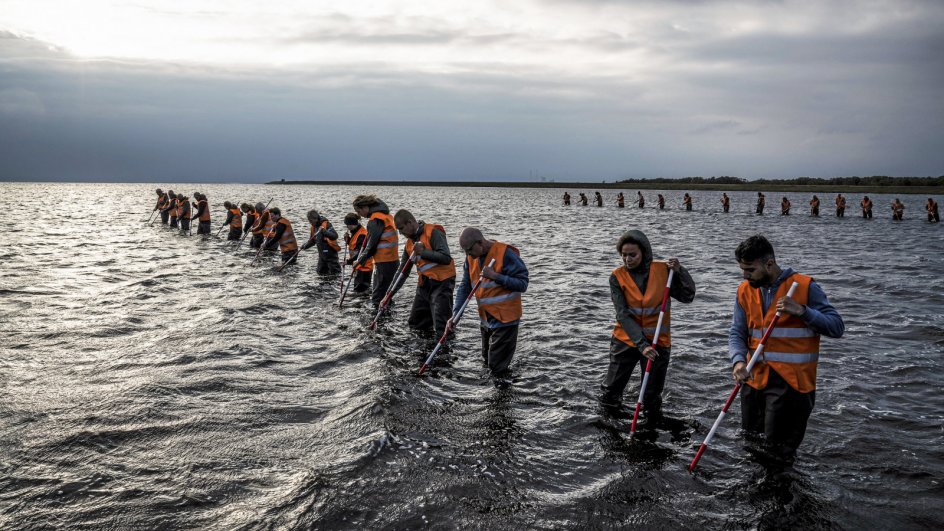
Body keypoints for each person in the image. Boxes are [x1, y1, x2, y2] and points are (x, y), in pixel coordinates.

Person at [729, 235, 843, 467]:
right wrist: (738, 361)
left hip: (792, 385)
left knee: (778, 454)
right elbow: (737, 332)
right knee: (751, 445)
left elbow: (836, 327)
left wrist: (802, 311)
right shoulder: (744, 289)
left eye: (750, 270)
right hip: (753, 379)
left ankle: (780, 496)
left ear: (769, 264)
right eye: (742, 269)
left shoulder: (804, 287)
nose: (744, 276)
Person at [599, 230, 696, 425]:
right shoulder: (617, 277)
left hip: (658, 341)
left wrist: (680, 271)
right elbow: (622, 314)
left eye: (632, 254)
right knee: (611, 390)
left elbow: (687, 296)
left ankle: (650, 426)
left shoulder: (663, 271)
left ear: (644, 252)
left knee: (652, 394)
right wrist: (641, 344)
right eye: (624, 255)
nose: (627, 259)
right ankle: (610, 424)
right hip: (626, 340)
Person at [448, 227, 529, 382]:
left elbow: (523, 284)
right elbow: (465, 286)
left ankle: (502, 400)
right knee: (487, 361)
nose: (467, 254)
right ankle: (496, 395)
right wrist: (455, 315)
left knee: (496, 368)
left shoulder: (506, 254)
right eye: (464, 251)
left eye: (469, 250)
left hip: (506, 320)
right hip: (486, 320)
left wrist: (495, 276)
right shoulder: (471, 257)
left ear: (480, 243)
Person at [388, 210, 456, 341]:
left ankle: (443, 356)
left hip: (442, 284)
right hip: (424, 285)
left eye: (401, 229)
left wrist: (423, 253)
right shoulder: (409, 244)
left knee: (442, 328)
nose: (401, 233)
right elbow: (402, 271)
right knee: (415, 323)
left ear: (410, 222)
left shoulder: (433, 232)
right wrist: (389, 294)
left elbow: (446, 257)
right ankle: (422, 352)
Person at [352, 195, 399, 306]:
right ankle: (388, 319)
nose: (359, 215)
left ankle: (377, 320)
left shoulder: (375, 220)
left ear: (365, 207)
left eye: (359, 211)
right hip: (392, 260)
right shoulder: (385, 215)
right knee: (386, 294)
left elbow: (371, 247)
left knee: (378, 297)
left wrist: (359, 261)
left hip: (384, 261)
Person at [301, 209, 342, 274]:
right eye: (309, 221)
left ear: (316, 219)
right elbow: (312, 240)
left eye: (311, 221)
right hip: (322, 256)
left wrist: (324, 232)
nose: (310, 223)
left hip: (331, 255)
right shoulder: (313, 227)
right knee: (320, 273)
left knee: (335, 273)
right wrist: (305, 246)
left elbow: (335, 236)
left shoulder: (326, 224)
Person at [344, 213, 373, 294]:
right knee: (359, 291)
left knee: (360, 291)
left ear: (352, 224)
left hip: (364, 267)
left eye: (347, 225)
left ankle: (361, 305)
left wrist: (348, 261)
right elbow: (355, 247)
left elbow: (361, 252)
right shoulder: (355, 231)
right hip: (359, 266)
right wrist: (348, 240)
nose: (347, 227)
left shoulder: (362, 234)